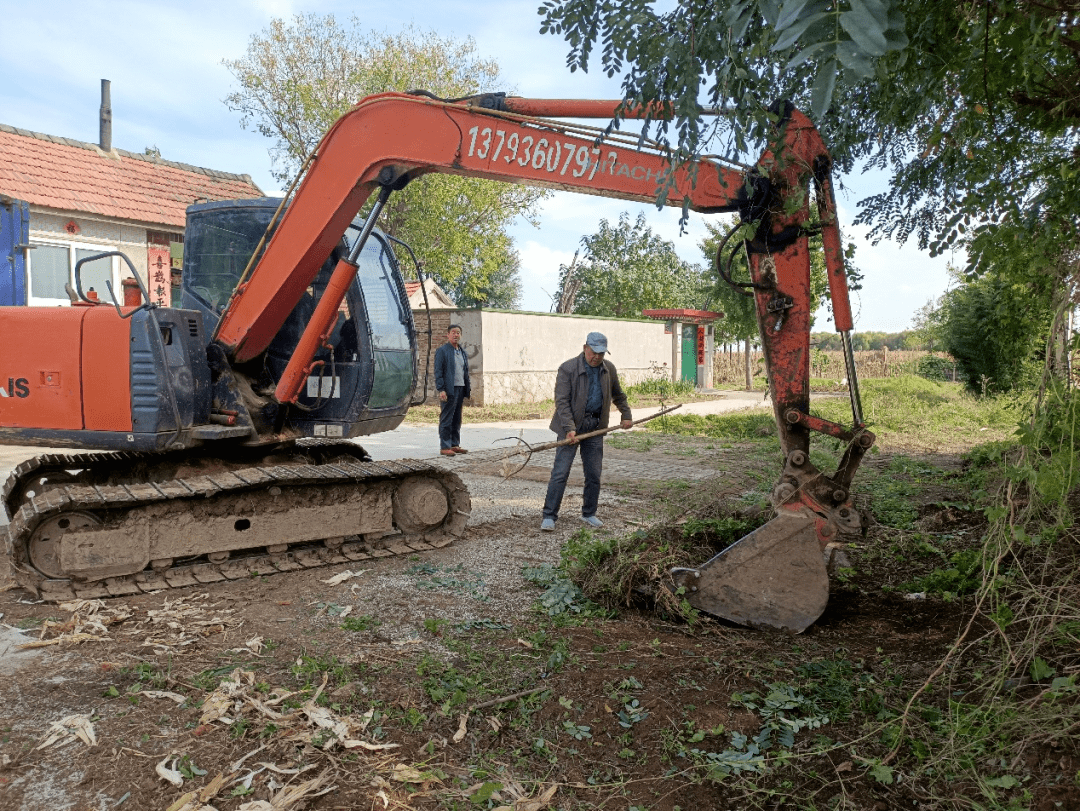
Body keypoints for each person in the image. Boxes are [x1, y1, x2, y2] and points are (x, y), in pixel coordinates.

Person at [541, 331, 632, 531]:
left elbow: (619, 395)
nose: (597, 357)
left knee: (593, 474)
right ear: (585, 348)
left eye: (601, 353)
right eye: (594, 352)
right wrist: (569, 428)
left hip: (595, 428)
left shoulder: (608, 369)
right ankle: (549, 515)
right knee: (560, 472)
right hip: (570, 428)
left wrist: (626, 414)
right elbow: (562, 402)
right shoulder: (568, 368)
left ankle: (589, 513)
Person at [434, 323, 471, 456]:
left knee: (457, 418)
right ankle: (445, 446)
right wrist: (441, 389)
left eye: (458, 333)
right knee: (446, 418)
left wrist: (467, 388)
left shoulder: (462, 352)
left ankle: (454, 444)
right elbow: (438, 371)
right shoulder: (442, 351)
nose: (456, 335)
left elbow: (464, 372)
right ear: (448, 335)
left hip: (460, 388)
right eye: (453, 332)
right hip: (449, 389)